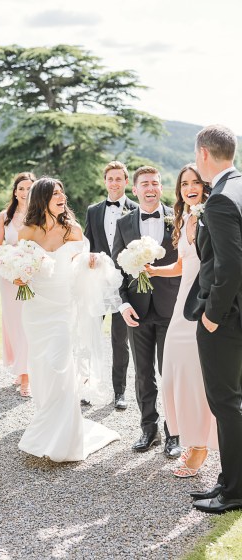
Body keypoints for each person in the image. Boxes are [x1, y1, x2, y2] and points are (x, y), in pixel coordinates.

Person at [17, 177, 120, 462]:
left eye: (63, 191)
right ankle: (46, 420)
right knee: (40, 365)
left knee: (60, 363)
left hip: (62, 307)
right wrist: (18, 274)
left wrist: (90, 262)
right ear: (42, 199)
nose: (62, 196)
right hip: (36, 309)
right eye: (55, 193)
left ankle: (66, 434)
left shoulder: (72, 230)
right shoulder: (26, 231)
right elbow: (18, 271)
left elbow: (79, 265)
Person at [184, 125, 242, 513]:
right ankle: (227, 481)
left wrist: (212, 315)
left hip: (226, 317)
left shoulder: (220, 198)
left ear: (203, 153)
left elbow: (230, 264)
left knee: (225, 401)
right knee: (232, 401)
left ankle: (235, 492)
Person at [146, 165, 217, 477]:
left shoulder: (211, 217)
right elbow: (182, 263)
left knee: (196, 376)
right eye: (184, 183)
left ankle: (201, 445)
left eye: (196, 183)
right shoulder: (186, 217)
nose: (190, 187)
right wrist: (154, 270)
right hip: (180, 308)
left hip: (203, 305)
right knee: (173, 374)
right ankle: (190, 436)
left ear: (204, 187)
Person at [112, 166, 181, 457]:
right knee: (143, 374)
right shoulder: (124, 223)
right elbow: (116, 271)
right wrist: (123, 304)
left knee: (171, 374)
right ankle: (148, 429)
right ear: (135, 189)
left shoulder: (177, 218)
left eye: (155, 183)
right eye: (144, 184)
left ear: (161, 188)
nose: (150, 188)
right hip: (136, 310)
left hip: (172, 309)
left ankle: (174, 433)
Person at [85, 161, 138, 410]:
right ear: (105, 181)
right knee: (90, 335)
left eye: (119, 179)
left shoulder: (136, 209)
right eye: (110, 179)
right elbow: (87, 243)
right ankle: (89, 387)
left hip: (124, 285)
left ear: (126, 182)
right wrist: (89, 257)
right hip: (97, 284)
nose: (114, 183)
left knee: (120, 340)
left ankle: (119, 392)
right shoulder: (93, 211)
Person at [0, 172, 36, 397]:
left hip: (33, 277)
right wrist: (10, 267)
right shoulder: (4, 217)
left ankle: (27, 377)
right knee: (13, 323)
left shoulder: (40, 216)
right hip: (9, 278)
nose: (25, 193)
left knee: (28, 323)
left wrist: (30, 268)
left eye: (29, 188)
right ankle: (20, 368)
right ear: (15, 191)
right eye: (21, 188)